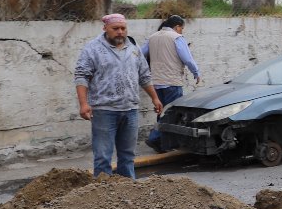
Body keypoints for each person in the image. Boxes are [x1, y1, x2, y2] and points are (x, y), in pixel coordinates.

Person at [74, 14, 162, 179]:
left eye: (123, 28)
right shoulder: (92, 48)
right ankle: (101, 195)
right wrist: (83, 104)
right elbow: (81, 76)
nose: (120, 32)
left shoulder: (134, 49)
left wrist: (155, 98)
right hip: (104, 111)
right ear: (105, 28)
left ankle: (128, 190)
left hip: (130, 110)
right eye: (115, 29)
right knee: (102, 157)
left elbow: (144, 76)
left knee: (128, 156)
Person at [141, 15, 201, 150]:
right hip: (172, 82)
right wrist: (196, 72)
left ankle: (163, 144)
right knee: (172, 113)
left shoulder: (152, 37)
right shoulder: (177, 38)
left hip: (155, 82)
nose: (182, 31)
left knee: (161, 112)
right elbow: (187, 59)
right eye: (182, 28)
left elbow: (140, 54)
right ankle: (155, 138)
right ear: (177, 26)